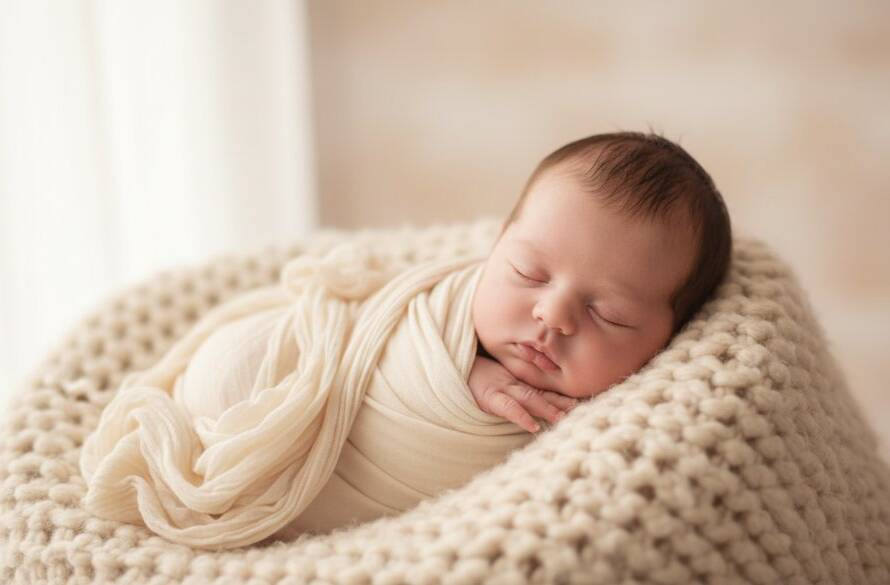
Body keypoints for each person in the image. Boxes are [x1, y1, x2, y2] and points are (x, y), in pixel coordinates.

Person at [468, 131, 732, 433]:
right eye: (528, 273)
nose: (553, 315)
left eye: (609, 315)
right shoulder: (434, 315)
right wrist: (459, 375)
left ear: (671, 339)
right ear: (499, 240)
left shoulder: (631, 425)